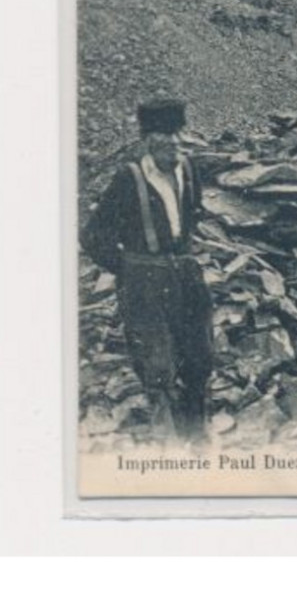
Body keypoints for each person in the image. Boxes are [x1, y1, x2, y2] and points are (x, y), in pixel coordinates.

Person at [82, 97, 213, 442]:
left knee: (199, 358)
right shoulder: (130, 178)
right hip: (144, 282)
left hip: (185, 275)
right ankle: (168, 446)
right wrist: (126, 267)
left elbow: (194, 214)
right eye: (161, 135)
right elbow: (93, 235)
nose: (171, 142)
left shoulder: (189, 170)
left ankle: (197, 439)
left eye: (175, 133)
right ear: (146, 140)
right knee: (157, 365)